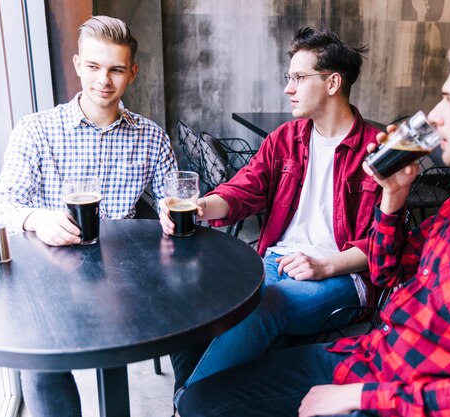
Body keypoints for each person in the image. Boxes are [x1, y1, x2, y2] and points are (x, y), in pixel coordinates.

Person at [174, 24, 450, 417]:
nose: (433, 116)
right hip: (372, 354)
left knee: (205, 402)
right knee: (202, 385)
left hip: (391, 390)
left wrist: (359, 395)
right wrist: (393, 199)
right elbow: (386, 269)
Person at [160, 26, 382, 392]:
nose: (288, 87)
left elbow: (382, 242)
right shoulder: (286, 139)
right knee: (196, 299)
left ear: (332, 83)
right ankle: (200, 399)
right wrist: (199, 207)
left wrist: (325, 263)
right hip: (275, 262)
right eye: (288, 77)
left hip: (341, 276)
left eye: (298, 77)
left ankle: (187, 406)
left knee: (263, 309)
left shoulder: (376, 150)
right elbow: (241, 191)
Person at [0, 16, 177, 417]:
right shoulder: (36, 130)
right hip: (51, 277)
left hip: (128, 277)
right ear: (77, 65)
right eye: (93, 67)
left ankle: (191, 405)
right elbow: (0, 205)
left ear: (133, 73)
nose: (103, 80)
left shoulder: (151, 137)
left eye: (116, 69)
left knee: (192, 329)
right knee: (39, 366)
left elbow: (174, 201)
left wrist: (171, 212)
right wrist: (38, 218)